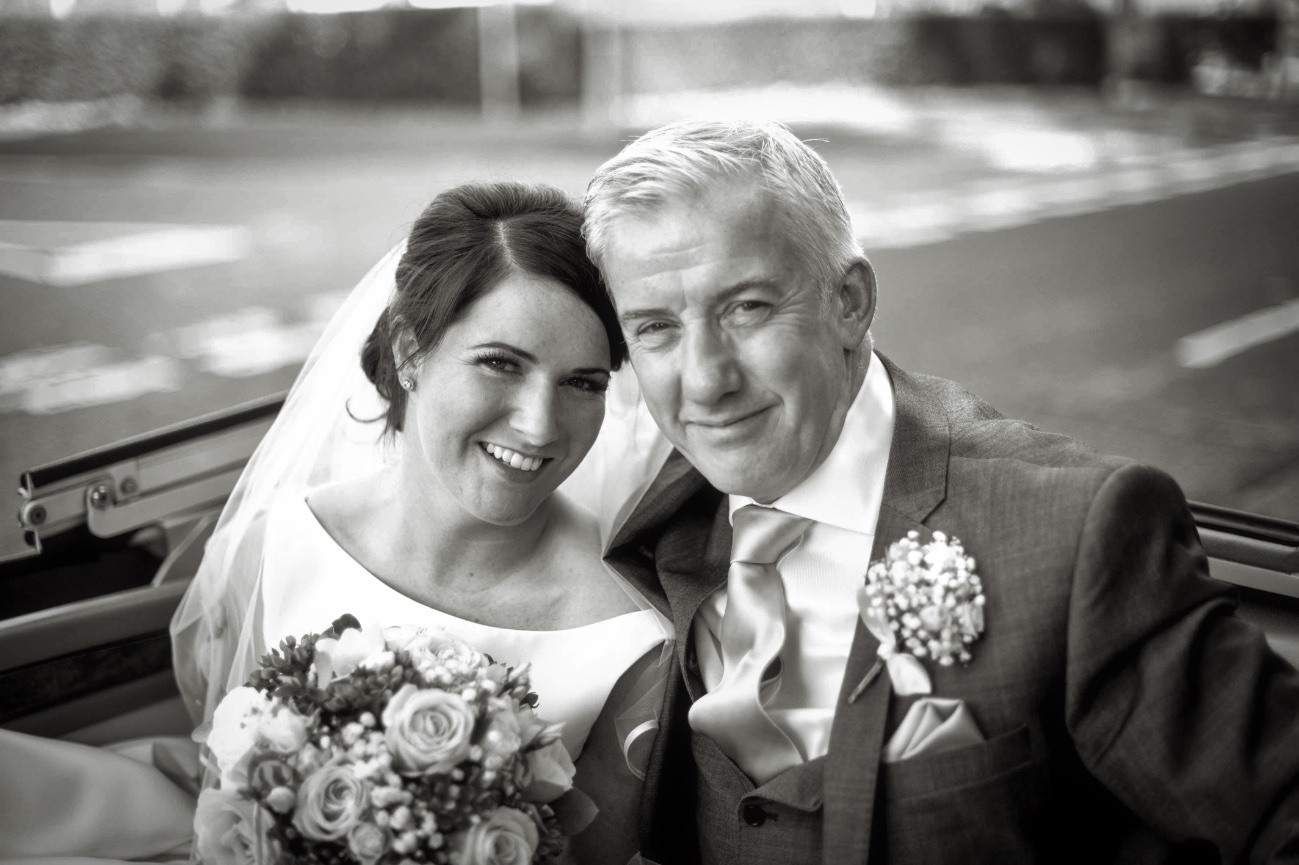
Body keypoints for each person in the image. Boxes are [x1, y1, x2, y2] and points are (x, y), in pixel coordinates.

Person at [581, 120, 1299, 865]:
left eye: (747, 308)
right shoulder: (658, 521)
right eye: (657, 327)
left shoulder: (1077, 533)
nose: (704, 379)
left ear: (849, 301)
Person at [0, 181, 674, 865]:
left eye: (583, 382)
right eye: (500, 363)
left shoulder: (634, 633)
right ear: (410, 354)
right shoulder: (271, 546)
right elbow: (226, 779)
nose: (539, 424)